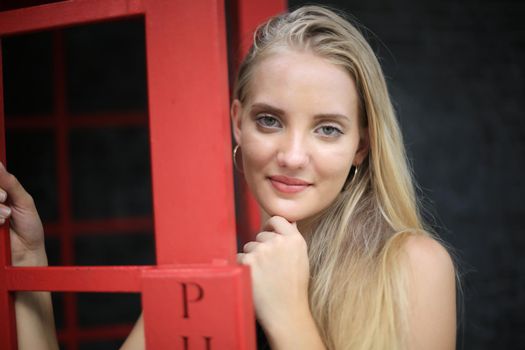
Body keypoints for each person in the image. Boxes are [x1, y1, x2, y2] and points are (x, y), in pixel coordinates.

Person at [0, 5, 457, 350]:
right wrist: (28, 260)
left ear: (361, 145)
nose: (293, 156)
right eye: (269, 121)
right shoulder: (207, 279)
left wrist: (289, 312)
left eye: (327, 129)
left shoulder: (414, 265)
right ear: (238, 122)